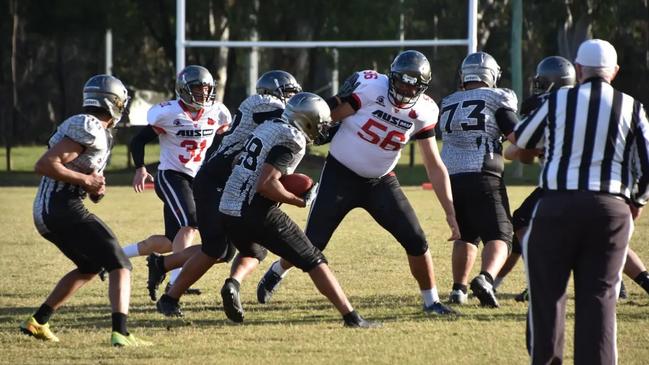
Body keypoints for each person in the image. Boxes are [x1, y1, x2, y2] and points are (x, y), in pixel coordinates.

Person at [257, 50, 460, 316]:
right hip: (340, 175)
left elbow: (434, 164)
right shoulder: (370, 88)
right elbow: (328, 116)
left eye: (413, 85)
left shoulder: (425, 111)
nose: (405, 90)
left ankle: (431, 302)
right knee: (314, 241)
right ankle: (277, 271)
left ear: (422, 87)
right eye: (401, 82)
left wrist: (450, 212)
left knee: (416, 239)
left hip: (381, 181)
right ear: (391, 77)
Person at [162, 91, 377, 327]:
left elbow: (241, 164)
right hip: (254, 209)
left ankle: (174, 296)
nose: (322, 128)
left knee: (252, 252)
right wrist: (299, 200)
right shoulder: (292, 140)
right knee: (314, 258)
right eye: (320, 123)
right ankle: (351, 317)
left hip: (227, 207)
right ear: (306, 120)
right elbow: (266, 184)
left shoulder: (268, 126)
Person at [514, 39, 649, 364]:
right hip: (610, 209)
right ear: (614, 72)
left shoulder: (559, 99)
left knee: (548, 299)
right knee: (600, 300)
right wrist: (634, 205)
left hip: (557, 206)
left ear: (578, 69)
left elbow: (522, 139)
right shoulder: (632, 106)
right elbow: (646, 167)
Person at [148, 70, 302, 322]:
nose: (293, 99)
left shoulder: (278, 120)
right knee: (222, 247)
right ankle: (171, 296)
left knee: (235, 249)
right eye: (289, 93)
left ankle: (166, 268)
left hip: (234, 181)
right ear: (273, 93)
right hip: (217, 181)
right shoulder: (262, 104)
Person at [23, 75, 151, 347]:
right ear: (113, 102)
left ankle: (38, 321)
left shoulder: (101, 132)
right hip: (60, 206)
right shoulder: (89, 125)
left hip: (58, 207)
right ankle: (121, 333)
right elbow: (44, 165)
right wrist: (86, 182)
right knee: (120, 263)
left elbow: (86, 181)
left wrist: (94, 189)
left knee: (90, 266)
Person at [127, 65, 231, 300]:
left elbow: (224, 140)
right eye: (197, 88)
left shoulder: (217, 112)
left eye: (206, 89)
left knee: (169, 241)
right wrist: (140, 168)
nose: (203, 94)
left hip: (199, 177)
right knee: (191, 224)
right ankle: (176, 281)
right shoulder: (168, 112)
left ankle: (117, 255)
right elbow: (138, 141)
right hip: (171, 175)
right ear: (184, 89)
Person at [439, 51, 519, 308]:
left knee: (466, 235)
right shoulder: (497, 97)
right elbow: (516, 135)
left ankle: (458, 290)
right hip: (483, 173)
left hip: (451, 177)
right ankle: (485, 278)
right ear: (492, 75)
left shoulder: (449, 100)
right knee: (501, 235)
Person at [495, 56, 577, 300]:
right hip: (597, 183)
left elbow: (525, 155)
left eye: (542, 82)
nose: (538, 87)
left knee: (523, 221)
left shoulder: (545, 106)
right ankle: (637, 280)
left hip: (559, 183)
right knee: (601, 232)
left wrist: (517, 147)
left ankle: (538, 283)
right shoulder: (583, 104)